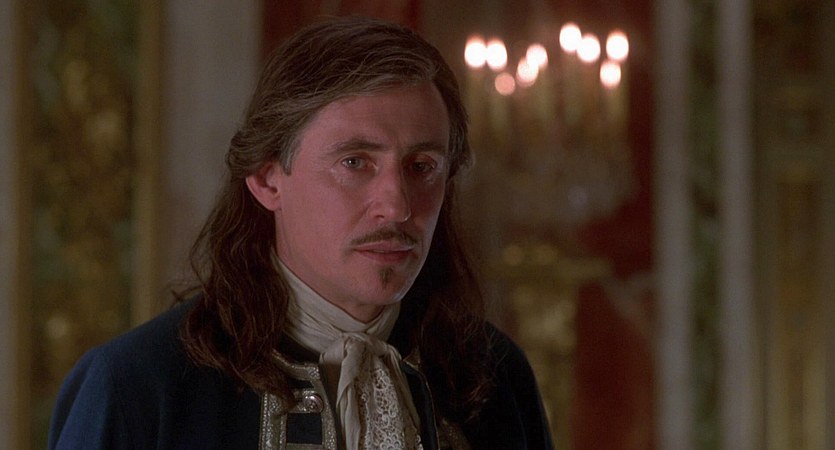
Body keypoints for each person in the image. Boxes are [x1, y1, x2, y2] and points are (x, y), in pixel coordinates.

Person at [48, 16, 554, 450]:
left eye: (422, 166)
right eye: (355, 162)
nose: (398, 206)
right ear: (268, 179)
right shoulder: (138, 387)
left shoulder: (496, 377)